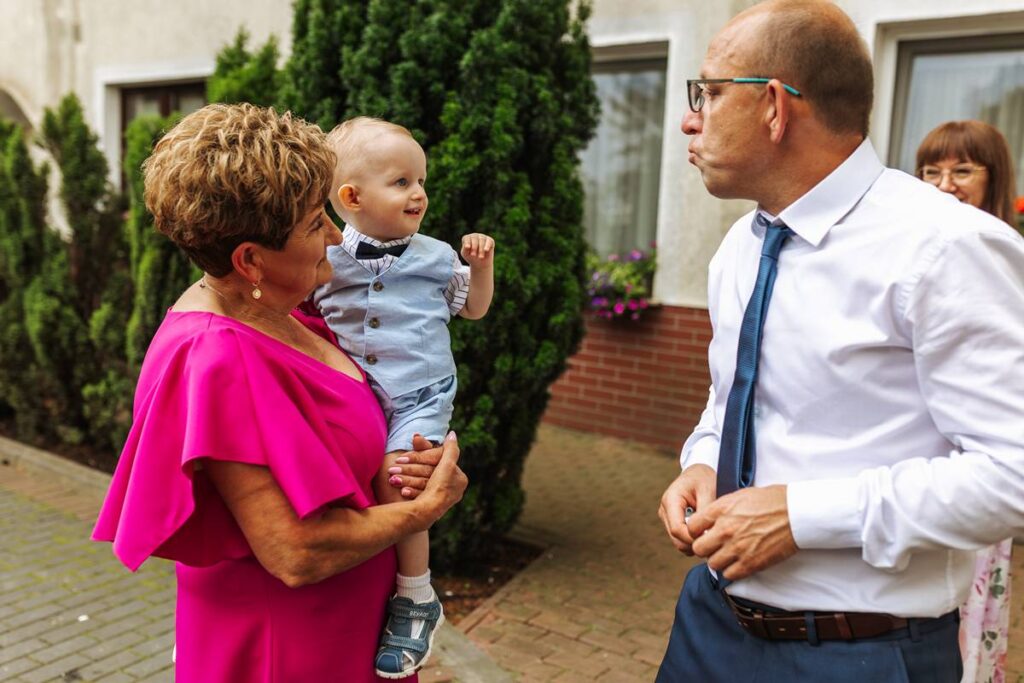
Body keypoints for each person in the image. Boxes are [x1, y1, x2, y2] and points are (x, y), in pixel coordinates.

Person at [656, 1, 1024, 681]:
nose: (689, 117)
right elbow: (730, 397)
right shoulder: (739, 246)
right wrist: (703, 458)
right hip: (707, 624)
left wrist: (804, 515)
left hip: (866, 653)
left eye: (707, 91)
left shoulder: (948, 247)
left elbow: (1014, 473)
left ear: (773, 105)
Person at [92, 103, 468, 683]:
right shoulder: (216, 358)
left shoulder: (291, 310)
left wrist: (409, 459)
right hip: (289, 648)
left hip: (353, 625)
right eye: (315, 224)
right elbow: (296, 552)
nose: (337, 235)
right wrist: (426, 507)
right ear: (251, 260)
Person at [313, 116, 494, 678]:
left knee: (402, 482)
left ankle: (415, 595)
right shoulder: (328, 255)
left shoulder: (438, 256)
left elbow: (474, 310)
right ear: (351, 197)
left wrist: (481, 268)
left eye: (421, 181)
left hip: (419, 394)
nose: (419, 192)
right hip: (355, 390)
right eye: (401, 182)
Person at [916, 119, 1019, 683]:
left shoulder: (1001, 251)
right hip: (921, 462)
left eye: (961, 170)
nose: (944, 184)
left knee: (968, 606)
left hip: (978, 465)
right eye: (931, 171)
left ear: (994, 177)